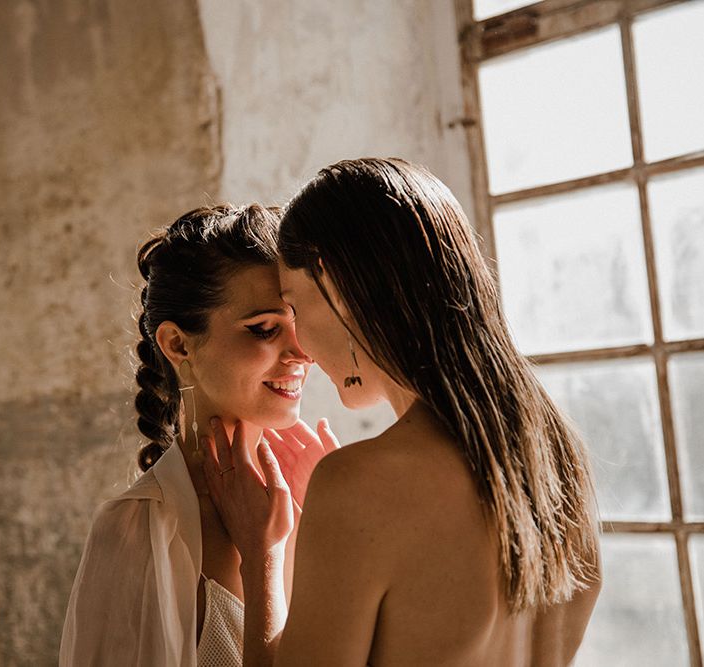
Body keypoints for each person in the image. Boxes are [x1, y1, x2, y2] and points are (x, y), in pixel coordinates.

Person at [203, 158, 603, 666]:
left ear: (340, 287)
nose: (300, 345)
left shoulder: (357, 485)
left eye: (295, 306)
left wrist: (262, 555)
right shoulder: (559, 458)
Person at [59, 204, 337, 666]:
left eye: (301, 324)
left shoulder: (323, 490)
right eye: (265, 329)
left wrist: (337, 520)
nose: (301, 353)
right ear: (178, 343)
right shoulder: (136, 529)